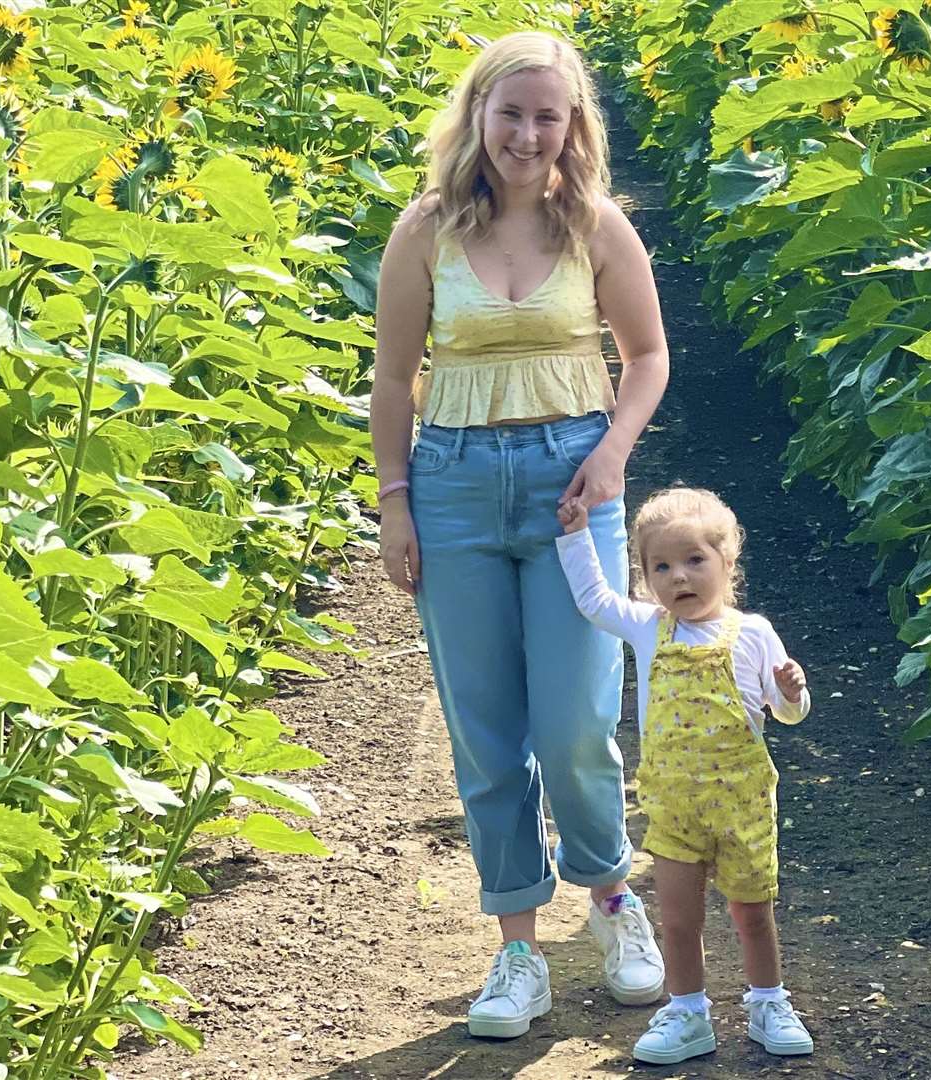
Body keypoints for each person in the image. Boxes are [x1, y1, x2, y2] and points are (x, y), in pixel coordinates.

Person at [370, 30, 670, 1039]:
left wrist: (613, 451)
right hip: (452, 487)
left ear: (571, 125)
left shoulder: (594, 227)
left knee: (576, 724)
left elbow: (648, 354)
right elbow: (390, 379)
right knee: (487, 734)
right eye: (511, 114)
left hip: (569, 489)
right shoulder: (424, 231)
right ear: (478, 117)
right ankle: (515, 952)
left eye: (548, 116)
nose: (528, 134)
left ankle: (614, 906)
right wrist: (395, 501)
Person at [556, 487, 815, 1064]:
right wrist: (574, 536)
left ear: (727, 562)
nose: (679, 578)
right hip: (673, 804)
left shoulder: (752, 633)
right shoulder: (650, 628)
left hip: (743, 802)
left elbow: (785, 711)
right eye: (662, 567)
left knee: (752, 911)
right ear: (647, 578)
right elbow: (595, 600)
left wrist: (794, 693)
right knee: (677, 917)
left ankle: (769, 1001)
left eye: (694, 560)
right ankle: (687, 1011)